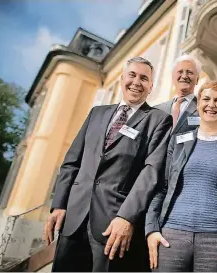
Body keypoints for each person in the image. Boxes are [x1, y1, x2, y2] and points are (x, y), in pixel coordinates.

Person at [43, 57, 173, 272]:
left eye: (144, 78)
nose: (136, 82)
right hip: (74, 218)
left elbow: (150, 173)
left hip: (113, 224)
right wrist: (59, 205)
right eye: (132, 75)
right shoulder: (97, 113)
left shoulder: (158, 120)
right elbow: (71, 162)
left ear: (151, 87)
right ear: (122, 79)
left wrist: (126, 216)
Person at [145, 81, 217, 272]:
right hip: (172, 235)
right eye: (206, 99)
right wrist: (151, 229)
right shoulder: (177, 142)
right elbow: (161, 187)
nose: (211, 104)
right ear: (198, 104)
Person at [155, 54, 202, 134]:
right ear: (173, 78)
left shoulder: (205, 110)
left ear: (197, 79)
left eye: (190, 72)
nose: (184, 76)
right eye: (180, 72)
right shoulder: (157, 110)